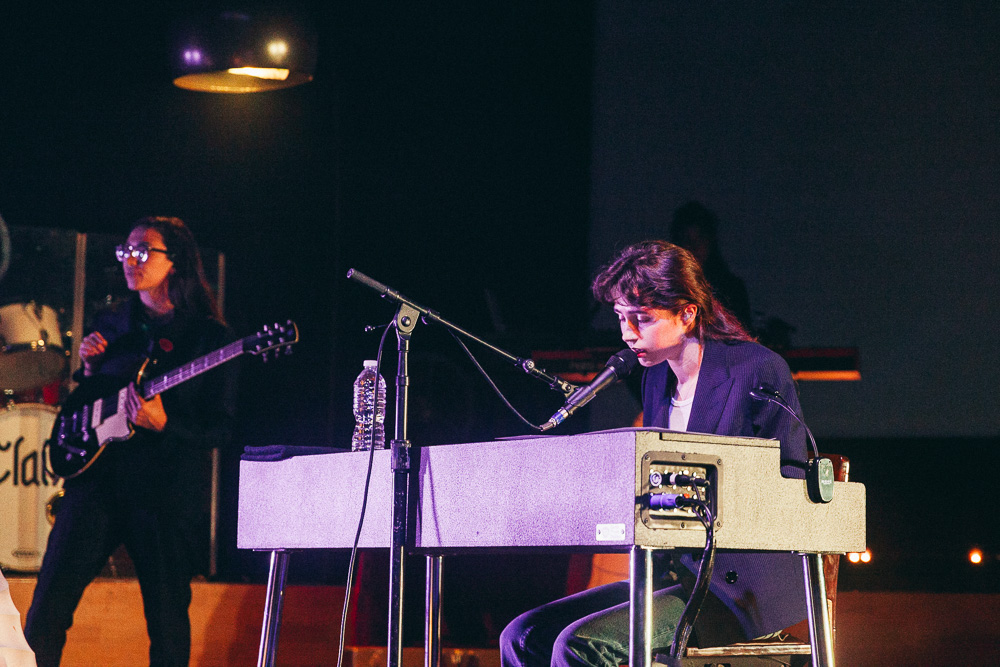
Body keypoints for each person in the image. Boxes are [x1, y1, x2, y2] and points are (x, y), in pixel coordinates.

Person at [500, 240, 809, 667]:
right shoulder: (655, 379)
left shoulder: (757, 367)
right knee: (523, 635)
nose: (627, 333)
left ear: (687, 313)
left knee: (580, 645)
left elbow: (790, 480)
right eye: (620, 317)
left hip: (738, 587)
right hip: (674, 571)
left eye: (642, 318)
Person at [25, 216, 237, 667]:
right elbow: (92, 400)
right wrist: (89, 369)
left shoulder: (209, 338)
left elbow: (220, 429)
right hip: (96, 486)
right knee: (46, 613)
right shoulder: (112, 322)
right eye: (125, 251)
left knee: (167, 625)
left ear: (174, 260)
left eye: (143, 251)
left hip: (161, 496)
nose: (130, 260)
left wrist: (165, 423)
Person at [669, 201, 753, 332]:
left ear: (710, 242)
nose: (694, 247)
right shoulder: (667, 287)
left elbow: (743, 334)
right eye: (687, 240)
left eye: (700, 239)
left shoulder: (731, 288)